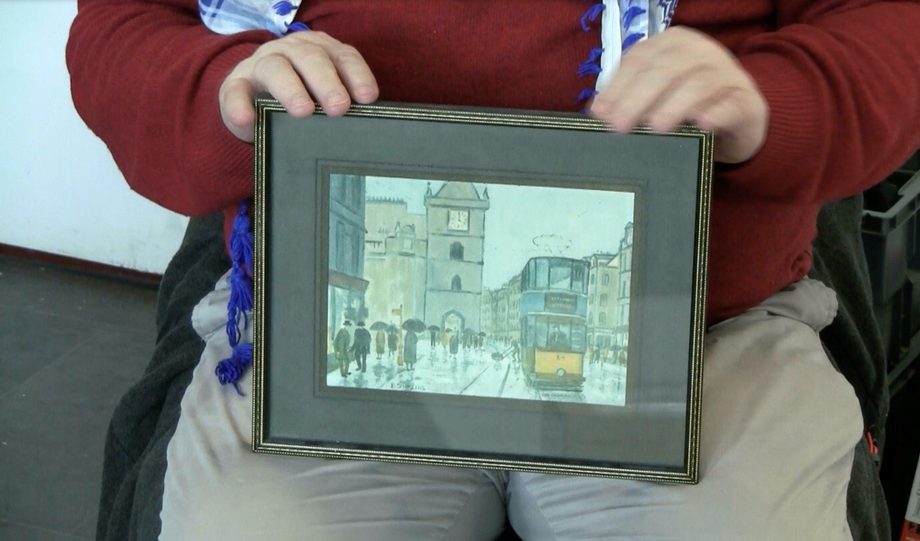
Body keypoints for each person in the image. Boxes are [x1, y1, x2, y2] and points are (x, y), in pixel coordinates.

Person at [67, 0, 920, 539]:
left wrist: (775, 99)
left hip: (703, 329)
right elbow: (118, 29)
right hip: (312, 340)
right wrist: (219, 84)